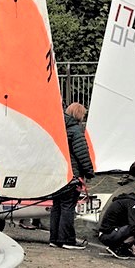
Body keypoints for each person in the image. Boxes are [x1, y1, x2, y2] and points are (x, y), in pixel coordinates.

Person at [50, 102, 95, 250]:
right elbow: (82, 154)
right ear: (79, 115)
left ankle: (54, 238)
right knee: (68, 206)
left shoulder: (56, 127)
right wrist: (89, 171)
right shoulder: (75, 131)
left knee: (57, 206)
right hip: (71, 175)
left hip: (56, 174)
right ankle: (67, 240)